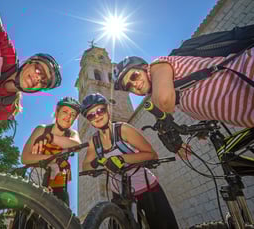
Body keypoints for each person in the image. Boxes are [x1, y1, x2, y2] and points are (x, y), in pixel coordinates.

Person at [81, 93, 179, 229]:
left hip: (146, 189)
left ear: (108, 109)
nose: (97, 116)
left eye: (100, 110)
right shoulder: (94, 141)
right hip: (119, 194)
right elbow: (85, 166)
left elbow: (152, 154)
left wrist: (121, 158)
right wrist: (97, 161)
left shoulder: (123, 129)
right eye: (91, 115)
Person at [113, 51, 254, 128]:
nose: (134, 84)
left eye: (134, 76)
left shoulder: (158, 65)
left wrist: (164, 124)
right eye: (128, 87)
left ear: (144, 68)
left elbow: (163, 101)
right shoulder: (175, 92)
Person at [21, 97, 82, 205]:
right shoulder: (42, 129)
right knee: (26, 210)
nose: (68, 117)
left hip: (58, 181)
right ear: (57, 112)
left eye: (72, 115)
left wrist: (51, 138)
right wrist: (55, 160)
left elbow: (77, 146)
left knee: (62, 214)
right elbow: (25, 158)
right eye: (65, 112)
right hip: (38, 176)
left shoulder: (72, 134)